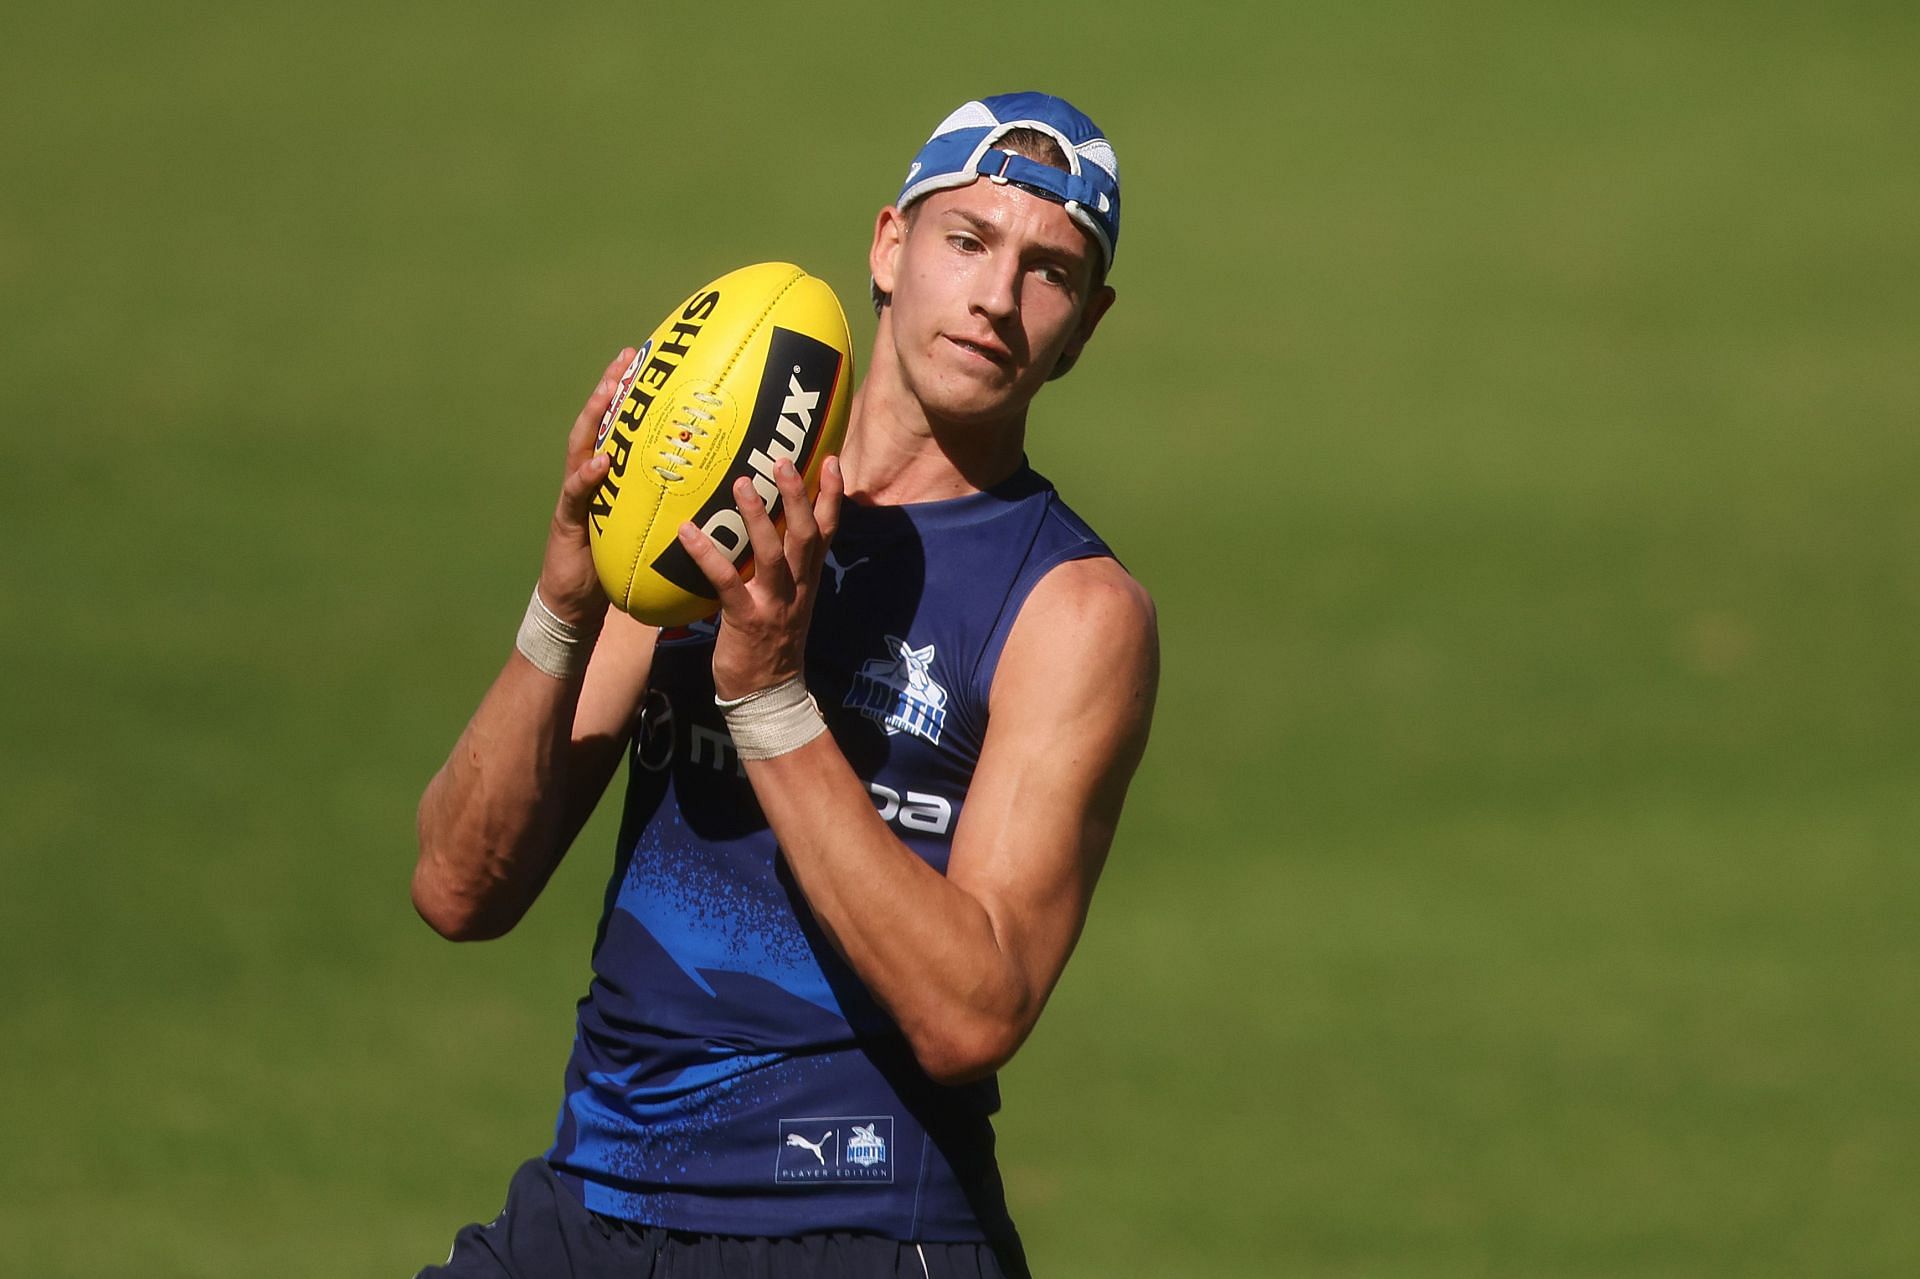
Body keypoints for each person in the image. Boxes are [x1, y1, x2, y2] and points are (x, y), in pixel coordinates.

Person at [412, 91, 1158, 1279]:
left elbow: (974, 1011)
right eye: (967, 240)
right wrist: (565, 600)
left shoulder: (1071, 611)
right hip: (586, 1208)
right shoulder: (705, 516)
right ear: (888, 246)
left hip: (859, 1230)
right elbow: (459, 885)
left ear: (1087, 325)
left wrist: (766, 697)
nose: (998, 299)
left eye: (1050, 272)